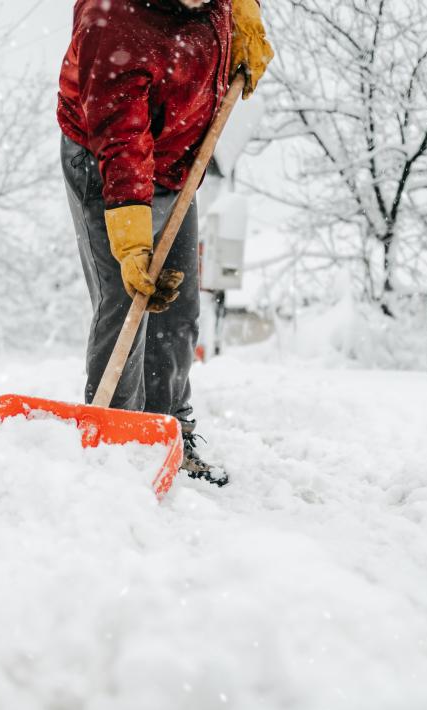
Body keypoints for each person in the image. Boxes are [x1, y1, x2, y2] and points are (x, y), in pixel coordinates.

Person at [57, 0, 273, 487]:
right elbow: (122, 139)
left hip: (178, 157)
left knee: (177, 306)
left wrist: (243, 12)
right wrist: (133, 245)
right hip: (105, 158)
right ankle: (115, 446)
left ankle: (169, 431)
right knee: (126, 296)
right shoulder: (111, 22)